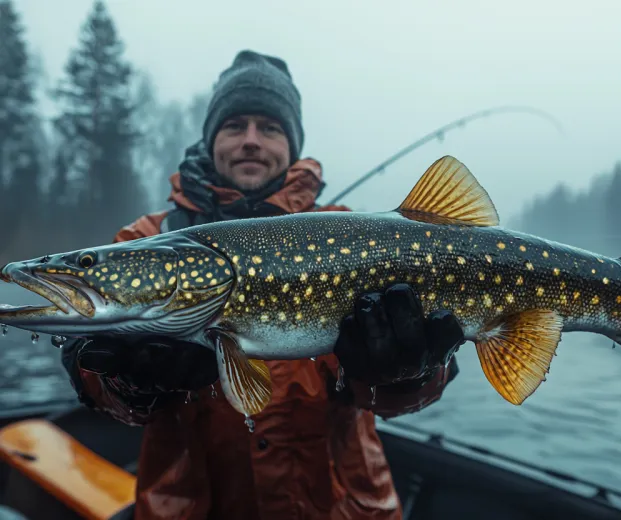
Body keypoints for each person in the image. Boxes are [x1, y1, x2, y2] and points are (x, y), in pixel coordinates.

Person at [60, 50, 464, 520]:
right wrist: (127, 380)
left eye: (269, 128)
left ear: (291, 145)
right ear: (211, 140)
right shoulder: (146, 242)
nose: (251, 140)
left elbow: (393, 399)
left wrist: (408, 370)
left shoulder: (349, 237)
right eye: (235, 126)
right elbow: (92, 368)